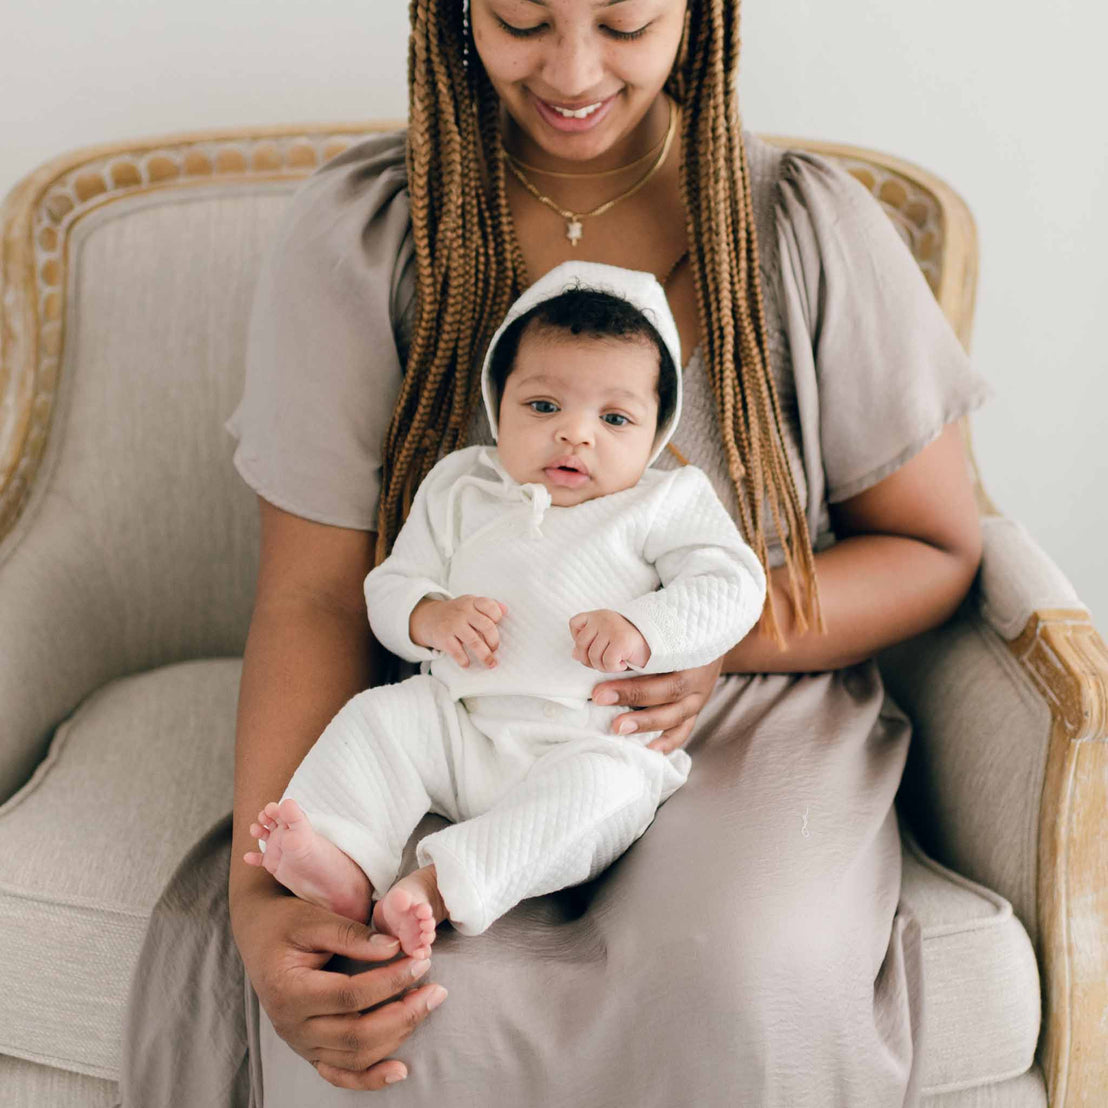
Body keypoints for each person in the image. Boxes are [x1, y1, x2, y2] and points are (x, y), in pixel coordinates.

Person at [120, 0, 992, 1103]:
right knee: (408, 1005)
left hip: (723, 714)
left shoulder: (802, 228)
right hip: (471, 708)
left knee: (739, 975)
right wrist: (262, 905)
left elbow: (934, 544)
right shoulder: (368, 232)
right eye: (521, 18)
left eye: (625, 23)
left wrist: (706, 637)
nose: (572, 70)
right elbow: (312, 594)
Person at [243, 261, 767, 956]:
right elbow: (392, 583)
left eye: (614, 418)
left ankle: (436, 887)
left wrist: (647, 629)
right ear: (499, 401)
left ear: (656, 432)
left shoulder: (667, 500)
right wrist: (429, 614)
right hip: (460, 727)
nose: (576, 434)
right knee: (379, 719)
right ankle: (340, 857)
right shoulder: (461, 486)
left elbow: (735, 583)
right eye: (544, 406)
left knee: (607, 794)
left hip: (589, 742)